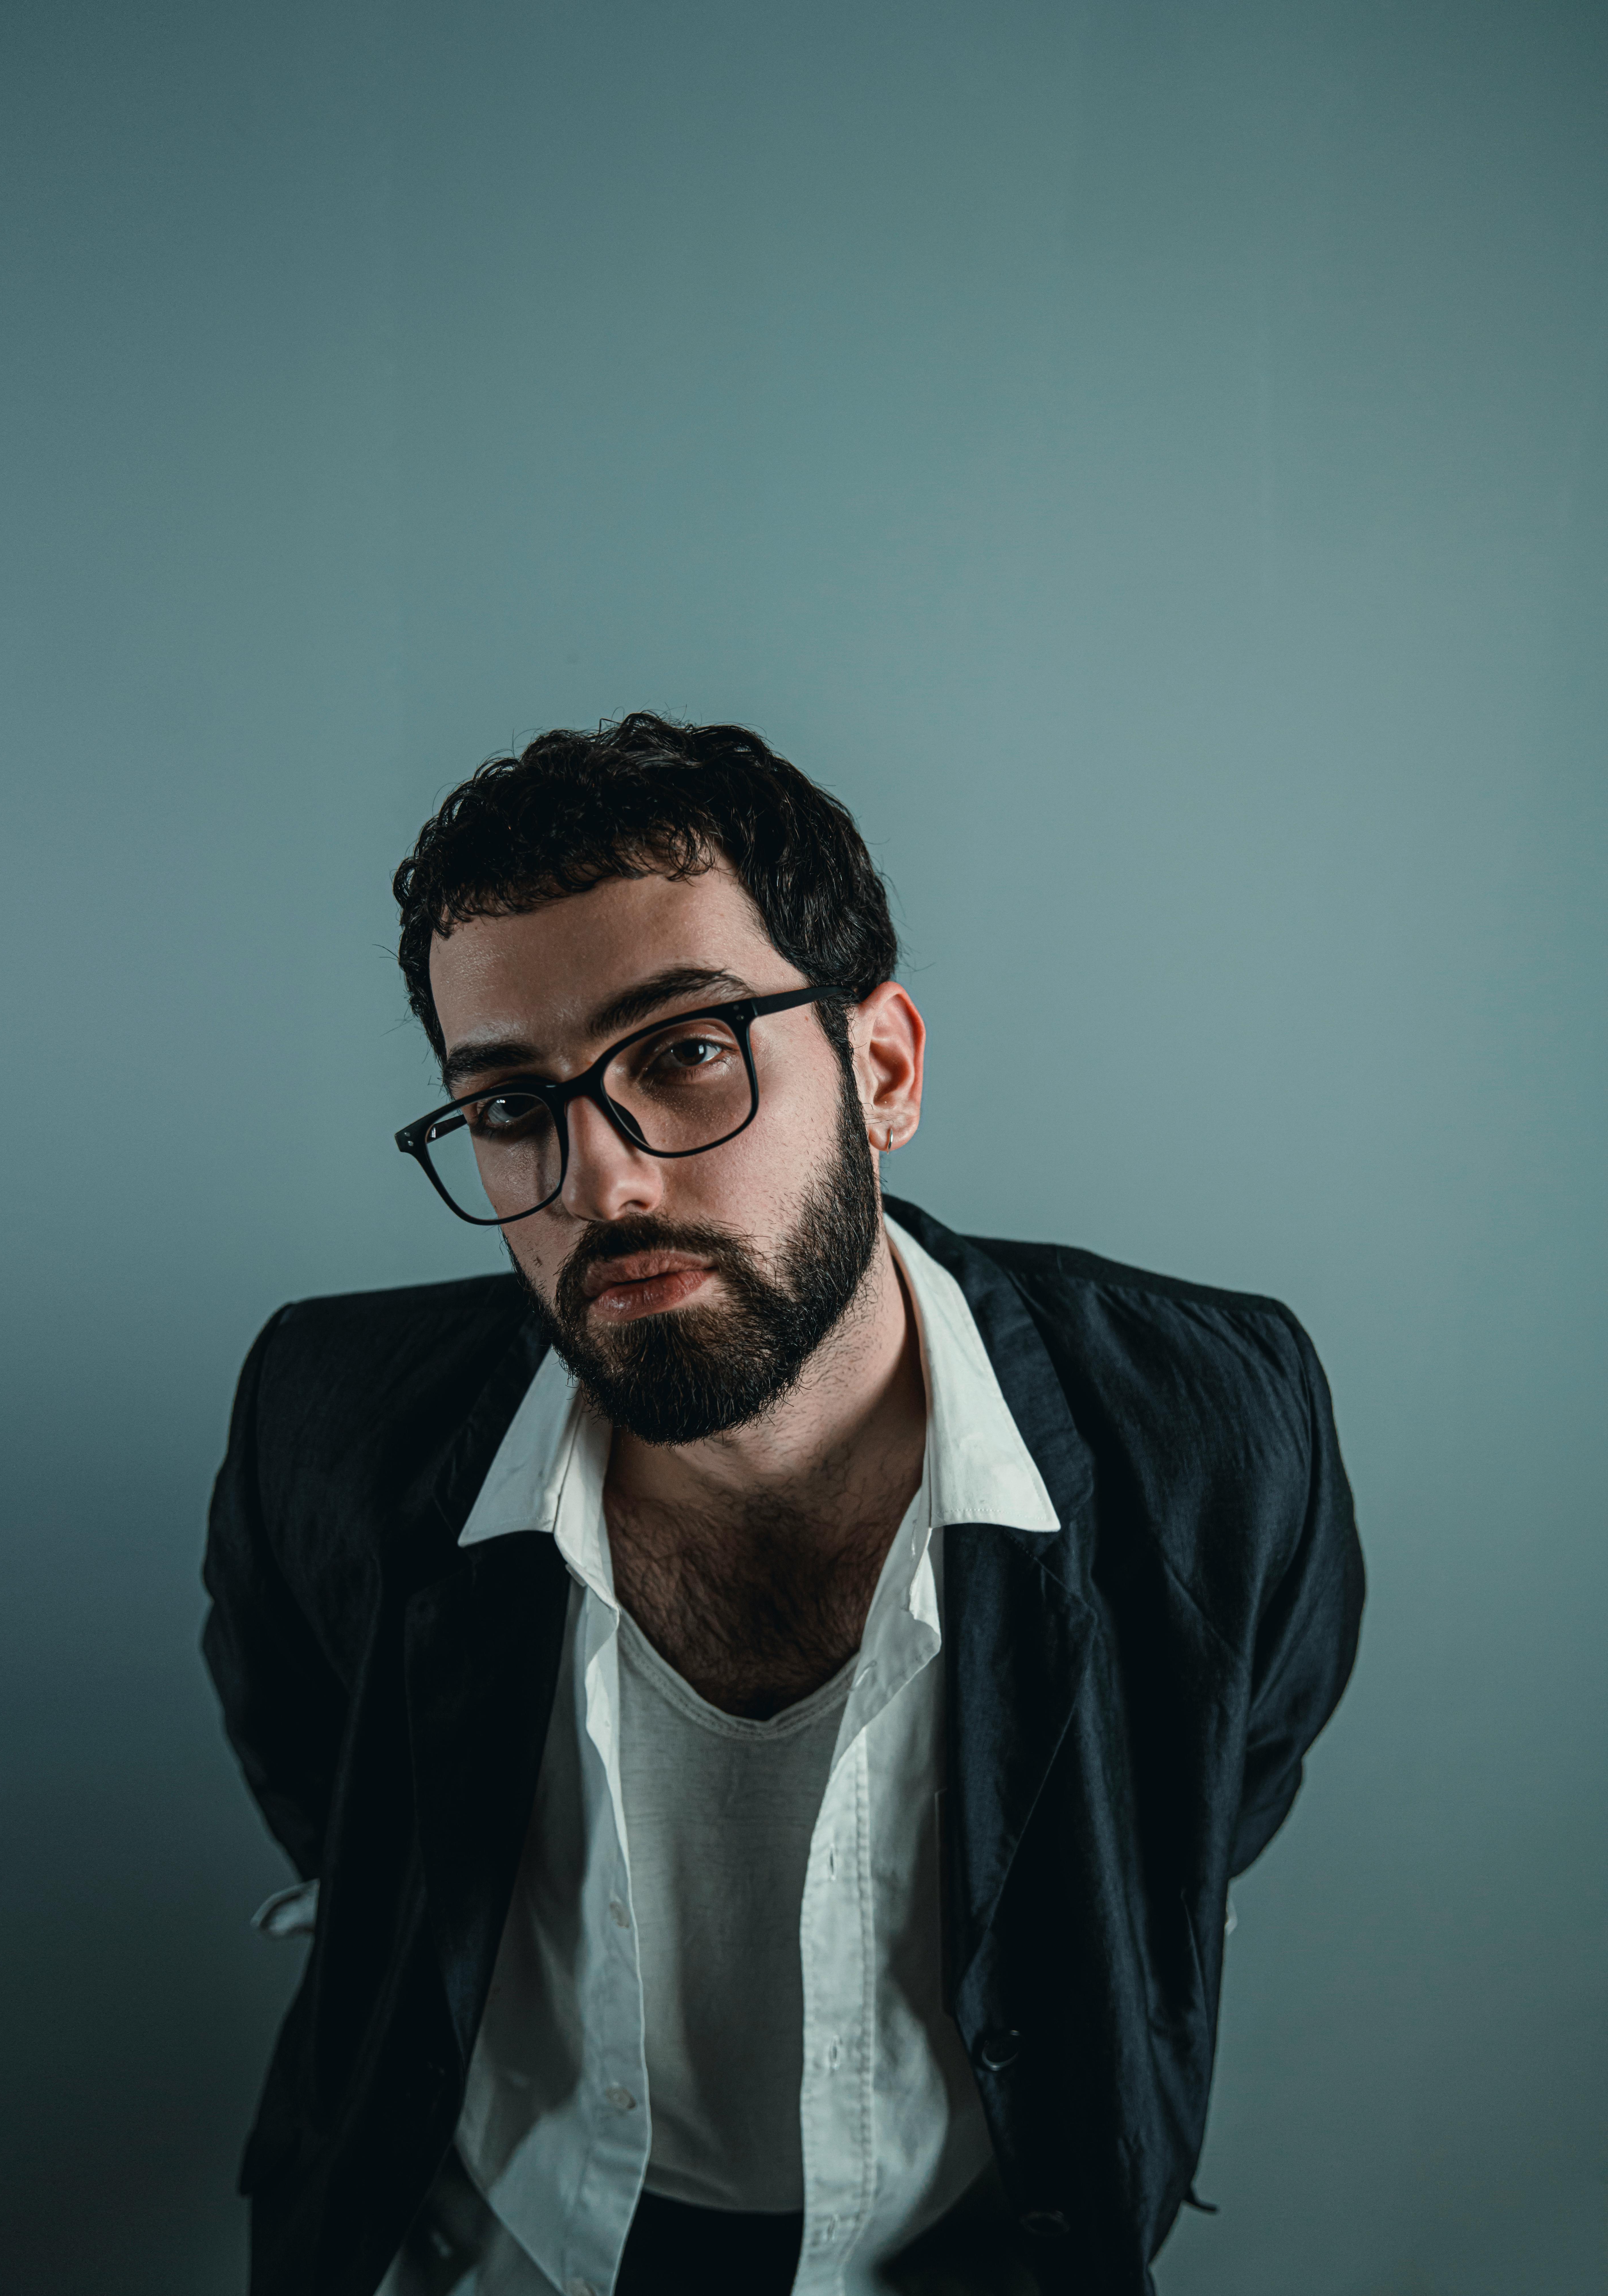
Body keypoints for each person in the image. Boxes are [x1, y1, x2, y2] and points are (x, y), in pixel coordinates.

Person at [203, 713, 1363, 2296]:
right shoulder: (330, 1429)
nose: (603, 1182)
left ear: (880, 1069)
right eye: (511, 1106)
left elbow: (1209, 1793)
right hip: (494, 2252)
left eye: (684, 1053)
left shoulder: (1211, 1433)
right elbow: (326, 1783)